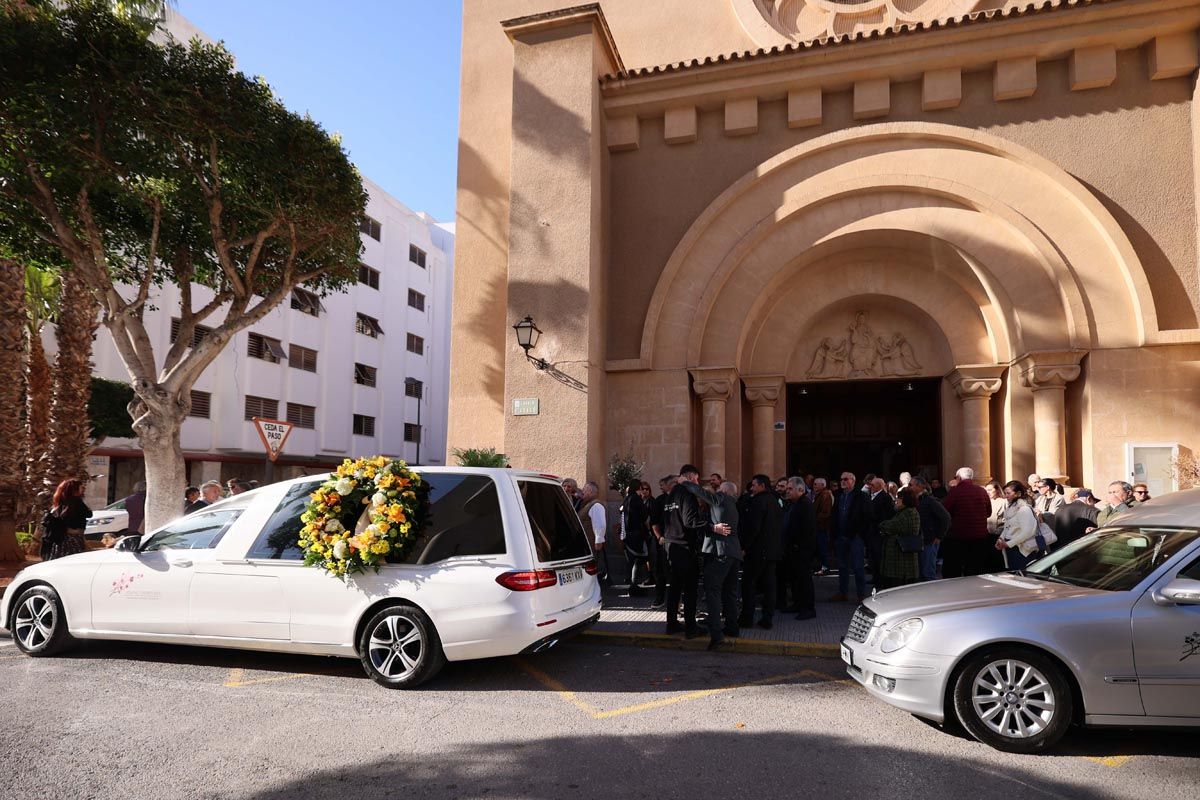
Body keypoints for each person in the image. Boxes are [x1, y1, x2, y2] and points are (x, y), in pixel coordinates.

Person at [680, 479, 742, 649]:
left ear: (725, 491)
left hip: (719, 554)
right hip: (733, 554)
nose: (717, 492)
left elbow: (700, 492)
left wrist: (685, 482)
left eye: (719, 490)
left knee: (712, 592)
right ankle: (732, 627)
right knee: (729, 593)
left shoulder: (721, 499)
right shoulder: (733, 505)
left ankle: (717, 636)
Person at [663, 465, 708, 637]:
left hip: (671, 547)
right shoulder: (687, 493)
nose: (697, 483)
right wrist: (710, 526)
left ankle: (672, 624)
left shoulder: (670, 495)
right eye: (697, 479)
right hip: (685, 548)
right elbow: (690, 522)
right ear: (690, 476)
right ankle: (691, 627)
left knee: (674, 589)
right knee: (690, 590)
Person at [738, 474, 784, 629]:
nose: (752, 488)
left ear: (762, 486)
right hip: (772, 551)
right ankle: (767, 618)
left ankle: (746, 618)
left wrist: (744, 547)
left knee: (749, 584)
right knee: (769, 586)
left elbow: (753, 528)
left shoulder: (758, 502)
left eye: (754, 485)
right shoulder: (775, 501)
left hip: (757, 552)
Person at [940, 466, 997, 577]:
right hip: (979, 536)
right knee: (975, 568)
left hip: (958, 536)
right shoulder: (982, 491)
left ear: (959, 478)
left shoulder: (955, 492)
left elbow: (945, 511)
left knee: (953, 568)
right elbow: (988, 513)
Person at [831, 472, 872, 602]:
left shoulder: (861, 496)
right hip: (841, 536)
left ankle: (861, 595)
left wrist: (860, 533)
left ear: (853, 481)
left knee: (858, 566)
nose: (842, 481)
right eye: (841, 479)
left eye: (846, 479)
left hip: (855, 537)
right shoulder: (838, 496)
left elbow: (868, 516)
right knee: (842, 566)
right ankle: (843, 593)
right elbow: (835, 515)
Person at [782, 477, 817, 620]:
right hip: (793, 549)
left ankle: (808, 609)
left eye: (790, 489)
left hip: (802, 549)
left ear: (800, 490)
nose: (787, 491)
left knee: (804, 580)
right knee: (795, 579)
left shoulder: (805, 505)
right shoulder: (794, 504)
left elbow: (806, 529)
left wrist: (797, 544)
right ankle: (797, 604)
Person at [878, 487, 921, 588]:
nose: (896, 500)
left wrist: (884, 526)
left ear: (906, 500)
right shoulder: (903, 512)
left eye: (899, 498)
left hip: (902, 558)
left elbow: (892, 526)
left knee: (900, 586)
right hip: (898, 557)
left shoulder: (909, 512)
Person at [995, 480, 1042, 570]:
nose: (1006, 496)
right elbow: (1007, 527)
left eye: (1008, 493)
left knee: (1022, 577)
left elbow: (1028, 532)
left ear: (1018, 494)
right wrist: (1001, 539)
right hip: (1011, 548)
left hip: (1022, 550)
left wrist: (1009, 544)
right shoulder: (1010, 509)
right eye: (1005, 493)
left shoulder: (1024, 509)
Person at [42, 478, 91, 561]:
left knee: (61, 560)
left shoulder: (61, 501)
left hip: (62, 537)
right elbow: (88, 514)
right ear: (74, 489)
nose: (82, 489)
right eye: (80, 487)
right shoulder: (76, 501)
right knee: (74, 560)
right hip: (74, 537)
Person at [912, 476, 950, 581]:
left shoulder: (930, 500)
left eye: (912, 485)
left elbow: (945, 518)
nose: (909, 487)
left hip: (929, 540)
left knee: (928, 572)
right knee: (920, 571)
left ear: (919, 486)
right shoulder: (915, 500)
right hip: (920, 540)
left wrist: (939, 536)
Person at [648, 475, 676, 609]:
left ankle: (678, 602)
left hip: (679, 543)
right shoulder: (659, 501)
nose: (660, 487)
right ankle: (660, 598)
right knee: (660, 571)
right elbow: (654, 522)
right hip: (663, 542)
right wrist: (659, 537)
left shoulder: (682, 498)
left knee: (677, 573)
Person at [619, 480, 648, 597]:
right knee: (638, 559)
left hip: (627, 534)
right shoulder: (636, 499)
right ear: (639, 488)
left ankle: (633, 584)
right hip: (636, 534)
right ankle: (634, 586)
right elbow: (644, 515)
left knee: (632, 560)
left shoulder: (626, 499)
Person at [577, 482, 609, 586]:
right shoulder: (587, 504)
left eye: (584, 490)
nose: (582, 492)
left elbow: (600, 524)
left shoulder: (596, 505)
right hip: (586, 544)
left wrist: (598, 541)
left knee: (592, 568)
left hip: (591, 543)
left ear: (590, 491)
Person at [867, 477, 894, 584]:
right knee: (873, 556)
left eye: (872, 485)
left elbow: (885, 516)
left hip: (879, 531)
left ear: (879, 486)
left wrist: (881, 528)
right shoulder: (872, 496)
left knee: (879, 556)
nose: (870, 487)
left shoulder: (885, 497)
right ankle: (875, 577)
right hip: (872, 531)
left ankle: (881, 579)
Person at [811, 477, 834, 576]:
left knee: (822, 548)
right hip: (818, 526)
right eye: (814, 484)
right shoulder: (819, 495)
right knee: (819, 548)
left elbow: (825, 512)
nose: (814, 486)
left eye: (816, 484)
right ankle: (821, 566)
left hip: (821, 527)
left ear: (823, 485)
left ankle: (825, 567)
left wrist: (814, 520)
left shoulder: (825, 495)